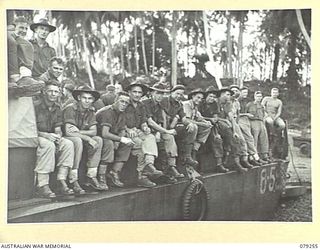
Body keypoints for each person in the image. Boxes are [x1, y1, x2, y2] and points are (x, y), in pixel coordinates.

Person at [109, 80, 162, 188]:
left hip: (138, 130)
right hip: (126, 132)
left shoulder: (141, 105)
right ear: (129, 92)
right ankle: (141, 176)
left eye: (139, 92)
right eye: (134, 92)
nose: (137, 94)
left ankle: (149, 165)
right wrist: (128, 129)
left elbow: (143, 121)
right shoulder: (124, 103)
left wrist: (145, 127)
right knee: (138, 143)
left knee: (150, 137)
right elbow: (119, 120)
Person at [34, 80, 75, 198]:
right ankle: (42, 185)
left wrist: (58, 136)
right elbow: (29, 128)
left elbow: (57, 128)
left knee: (68, 144)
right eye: (50, 91)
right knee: (48, 145)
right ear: (44, 92)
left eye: (56, 92)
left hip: (50, 136)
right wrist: (45, 135)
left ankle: (61, 180)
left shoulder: (57, 108)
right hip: (37, 136)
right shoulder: (35, 106)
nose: (53, 94)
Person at [63, 85, 104, 192]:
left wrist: (79, 132)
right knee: (77, 141)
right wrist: (87, 137)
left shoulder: (91, 111)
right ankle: (73, 178)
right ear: (79, 98)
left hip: (78, 135)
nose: (87, 101)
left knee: (98, 140)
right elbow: (68, 131)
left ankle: (91, 175)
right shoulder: (70, 108)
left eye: (90, 98)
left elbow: (94, 131)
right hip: (67, 137)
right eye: (84, 98)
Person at [142, 83, 184, 180]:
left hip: (155, 130)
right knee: (163, 136)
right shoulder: (145, 103)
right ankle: (151, 167)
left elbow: (160, 122)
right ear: (152, 93)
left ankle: (171, 166)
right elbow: (150, 122)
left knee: (169, 137)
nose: (160, 96)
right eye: (158, 93)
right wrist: (165, 131)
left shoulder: (160, 106)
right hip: (144, 129)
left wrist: (159, 132)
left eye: (162, 94)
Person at [96, 92, 135, 189]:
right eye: (122, 101)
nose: (124, 104)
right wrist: (120, 139)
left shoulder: (121, 112)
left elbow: (122, 129)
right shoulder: (108, 112)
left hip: (110, 136)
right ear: (115, 100)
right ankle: (101, 176)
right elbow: (104, 133)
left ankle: (114, 172)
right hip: (98, 136)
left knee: (128, 143)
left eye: (126, 103)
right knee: (109, 143)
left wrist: (119, 141)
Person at [160, 85, 198, 168]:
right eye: (177, 93)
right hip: (162, 126)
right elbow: (163, 117)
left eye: (181, 94)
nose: (179, 96)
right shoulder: (164, 100)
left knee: (193, 127)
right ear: (172, 93)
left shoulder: (179, 104)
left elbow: (184, 119)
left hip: (173, 126)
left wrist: (189, 123)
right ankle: (170, 166)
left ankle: (187, 156)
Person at [216, 88, 250, 172]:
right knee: (225, 136)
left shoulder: (228, 104)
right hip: (216, 124)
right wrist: (226, 121)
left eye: (230, 95)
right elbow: (216, 118)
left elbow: (231, 117)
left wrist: (235, 131)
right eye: (227, 94)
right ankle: (228, 162)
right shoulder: (216, 102)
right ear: (222, 94)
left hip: (224, 125)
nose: (229, 96)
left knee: (235, 138)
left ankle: (236, 162)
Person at [232, 85, 267, 166]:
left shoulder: (243, 101)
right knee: (248, 138)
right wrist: (246, 114)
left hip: (245, 120)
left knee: (251, 138)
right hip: (240, 120)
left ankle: (254, 157)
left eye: (246, 93)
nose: (245, 94)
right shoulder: (236, 101)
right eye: (243, 92)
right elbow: (237, 114)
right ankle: (251, 158)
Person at [199, 86, 229, 173]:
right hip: (201, 125)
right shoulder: (201, 103)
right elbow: (198, 117)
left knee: (218, 139)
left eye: (214, 97)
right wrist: (209, 119)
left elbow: (215, 116)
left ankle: (219, 164)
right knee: (201, 142)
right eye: (210, 96)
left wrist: (214, 119)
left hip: (212, 125)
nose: (212, 98)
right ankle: (199, 166)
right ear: (206, 96)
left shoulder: (214, 104)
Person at [182, 88, 212, 166]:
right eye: (198, 97)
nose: (199, 100)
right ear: (192, 96)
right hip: (181, 125)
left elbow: (199, 117)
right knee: (194, 127)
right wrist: (202, 124)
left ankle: (195, 150)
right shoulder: (187, 104)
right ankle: (187, 155)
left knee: (208, 127)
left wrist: (206, 122)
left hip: (190, 126)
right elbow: (188, 120)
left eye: (201, 99)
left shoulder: (195, 107)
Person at [229, 85, 257, 169]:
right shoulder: (227, 102)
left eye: (236, 90)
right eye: (232, 90)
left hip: (235, 122)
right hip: (228, 121)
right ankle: (237, 162)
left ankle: (245, 159)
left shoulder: (237, 103)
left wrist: (237, 124)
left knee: (244, 140)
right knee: (238, 140)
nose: (234, 92)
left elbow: (237, 114)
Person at [246, 91, 272, 162]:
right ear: (254, 97)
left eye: (260, 96)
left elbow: (264, 114)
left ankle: (264, 155)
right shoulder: (250, 104)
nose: (259, 98)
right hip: (253, 121)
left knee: (264, 138)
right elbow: (246, 113)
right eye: (257, 96)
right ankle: (255, 156)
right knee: (255, 139)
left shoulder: (262, 106)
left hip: (261, 122)